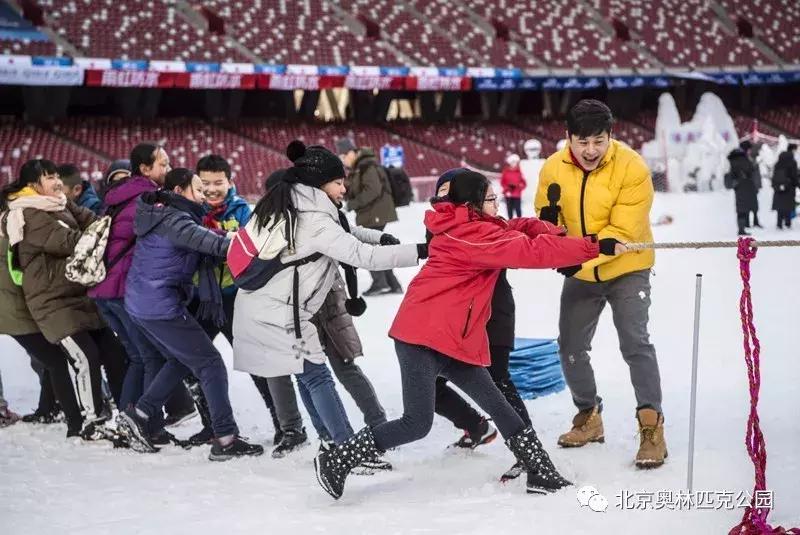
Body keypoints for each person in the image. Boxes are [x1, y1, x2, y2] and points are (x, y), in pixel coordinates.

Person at [314, 169, 610, 500]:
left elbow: (516, 229)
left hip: (453, 339)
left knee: (500, 406)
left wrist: (552, 230)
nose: (496, 203)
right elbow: (529, 252)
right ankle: (337, 460)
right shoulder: (471, 237)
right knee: (416, 422)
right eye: (490, 198)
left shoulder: (471, 228)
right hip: (421, 337)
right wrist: (592, 247)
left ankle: (540, 472)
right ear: (472, 204)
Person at [233, 141, 421, 459]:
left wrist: (379, 236)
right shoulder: (312, 218)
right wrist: (422, 251)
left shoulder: (287, 206)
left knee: (309, 376)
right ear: (319, 184)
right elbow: (362, 255)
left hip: (265, 308)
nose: (343, 187)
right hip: (282, 312)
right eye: (337, 182)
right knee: (318, 376)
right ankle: (347, 450)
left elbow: (345, 231)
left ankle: (336, 443)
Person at [535, 99, 667, 469]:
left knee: (634, 343)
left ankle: (651, 426)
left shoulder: (632, 168)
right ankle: (588, 416)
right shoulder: (552, 169)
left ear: (611, 136)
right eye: (582, 141)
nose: (591, 150)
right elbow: (546, 216)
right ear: (568, 138)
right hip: (580, 272)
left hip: (627, 267)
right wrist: (550, 234)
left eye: (599, 141)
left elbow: (622, 231)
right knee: (571, 346)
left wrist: (574, 254)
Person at [118, 168, 263, 461]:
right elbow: (216, 244)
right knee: (210, 363)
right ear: (180, 191)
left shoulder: (164, 215)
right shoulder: (176, 220)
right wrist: (258, 246)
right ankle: (225, 438)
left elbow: (210, 235)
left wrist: (234, 235)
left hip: (144, 303)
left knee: (181, 359)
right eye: (198, 189)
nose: (204, 194)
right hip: (159, 306)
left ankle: (142, 413)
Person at [0, 159, 128, 436]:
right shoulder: (27, 214)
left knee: (116, 355)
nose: (57, 182)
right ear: (33, 185)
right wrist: (98, 236)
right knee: (86, 357)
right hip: (52, 301)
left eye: (57, 175)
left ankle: (127, 414)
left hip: (79, 294)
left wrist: (101, 231)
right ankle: (91, 422)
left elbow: (95, 221)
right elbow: (69, 242)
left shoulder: (59, 202)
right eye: (49, 177)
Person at [89, 144, 196, 444]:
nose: (168, 167)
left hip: (104, 290)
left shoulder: (118, 195)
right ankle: (150, 428)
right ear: (145, 169)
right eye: (163, 163)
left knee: (138, 357)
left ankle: (129, 422)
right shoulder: (146, 199)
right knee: (152, 358)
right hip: (124, 290)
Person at [186, 153, 282, 447]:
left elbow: (251, 252)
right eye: (205, 183)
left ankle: (283, 423)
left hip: (232, 300)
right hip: (197, 299)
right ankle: (212, 425)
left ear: (230, 182)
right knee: (193, 366)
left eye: (218, 182)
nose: (212, 189)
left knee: (255, 363)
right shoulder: (188, 211)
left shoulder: (243, 212)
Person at [336, 137, 402, 296]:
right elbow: (356, 189)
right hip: (371, 214)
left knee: (369, 247)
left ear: (352, 152)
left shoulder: (367, 166)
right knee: (376, 248)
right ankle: (392, 284)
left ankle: (381, 283)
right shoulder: (359, 168)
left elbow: (373, 190)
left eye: (344, 157)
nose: (344, 161)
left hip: (376, 213)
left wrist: (350, 205)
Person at [727, 141, 759, 236]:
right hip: (745, 186)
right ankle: (741, 229)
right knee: (743, 208)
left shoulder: (734, 158)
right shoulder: (743, 159)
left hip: (739, 187)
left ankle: (742, 228)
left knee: (741, 207)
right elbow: (750, 170)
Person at [772, 143, 798, 230]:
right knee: (788, 206)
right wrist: (797, 184)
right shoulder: (792, 162)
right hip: (789, 187)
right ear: (793, 150)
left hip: (778, 187)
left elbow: (774, 175)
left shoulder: (778, 162)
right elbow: (794, 176)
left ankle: (779, 224)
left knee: (780, 206)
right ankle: (787, 223)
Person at [500, 153, 526, 219]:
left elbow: (524, 183)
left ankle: (520, 223)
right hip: (508, 194)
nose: (514, 164)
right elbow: (502, 182)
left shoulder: (519, 172)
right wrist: (507, 188)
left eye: (516, 162)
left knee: (518, 210)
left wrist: (519, 187)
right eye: (513, 162)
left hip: (517, 195)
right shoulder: (505, 171)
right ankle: (510, 223)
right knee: (509, 210)